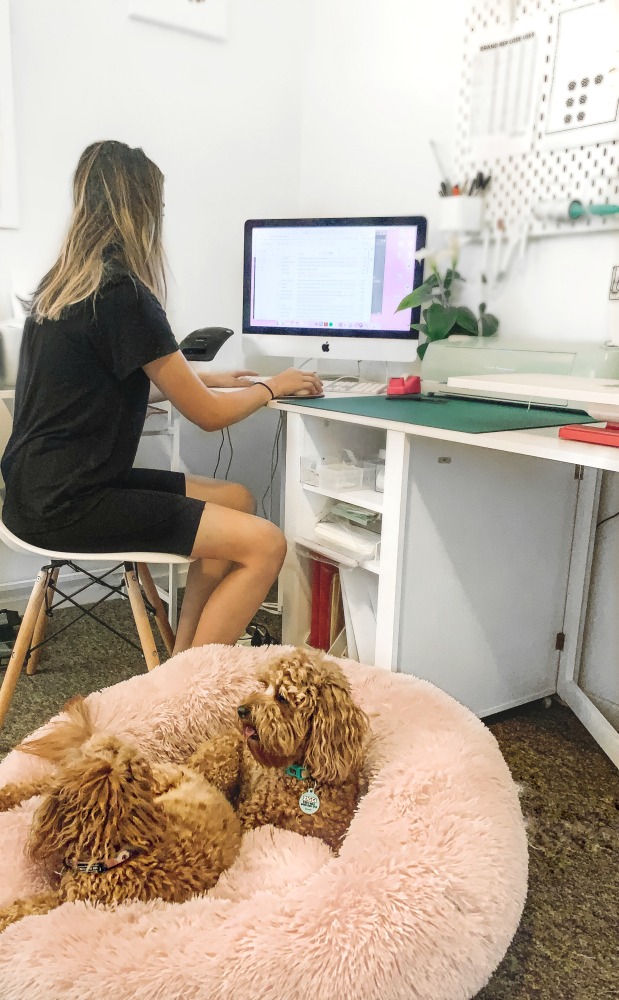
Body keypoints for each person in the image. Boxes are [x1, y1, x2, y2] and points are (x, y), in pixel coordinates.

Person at [0, 140, 322, 653]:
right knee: (266, 545)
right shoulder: (123, 293)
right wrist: (270, 387)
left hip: (33, 493)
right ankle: (190, 692)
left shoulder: (61, 287)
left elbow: (90, 389)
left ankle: (184, 658)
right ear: (142, 209)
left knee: (237, 499)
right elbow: (209, 419)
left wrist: (201, 381)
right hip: (73, 502)